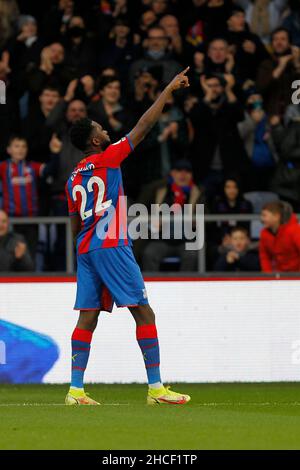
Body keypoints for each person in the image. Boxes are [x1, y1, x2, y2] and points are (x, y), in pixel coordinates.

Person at [65, 67, 192, 406]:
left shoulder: (73, 178)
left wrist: (81, 251)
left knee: (87, 317)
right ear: (95, 140)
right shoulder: (108, 158)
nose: (106, 130)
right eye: (101, 128)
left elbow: (74, 220)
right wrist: (167, 90)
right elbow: (144, 126)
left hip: (86, 248)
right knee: (144, 312)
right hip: (111, 243)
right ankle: (156, 389)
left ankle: (75, 391)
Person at [142, 160, 202, 272]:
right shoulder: (161, 191)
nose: (183, 175)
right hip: (162, 240)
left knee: (192, 255)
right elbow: (143, 211)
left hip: (186, 241)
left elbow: (206, 216)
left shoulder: (198, 192)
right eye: (179, 171)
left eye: (187, 171)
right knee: (149, 253)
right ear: (172, 173)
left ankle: (186, 287)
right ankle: (152, 287)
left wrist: (196, 222)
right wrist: (153, 223)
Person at [259, 200, 300, 272]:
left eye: (264, 215)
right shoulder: (264, 233)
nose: (262, 219)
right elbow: (264, 256)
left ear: (276, 216)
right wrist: (267, 275)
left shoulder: (295, 230)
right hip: (280, 275)